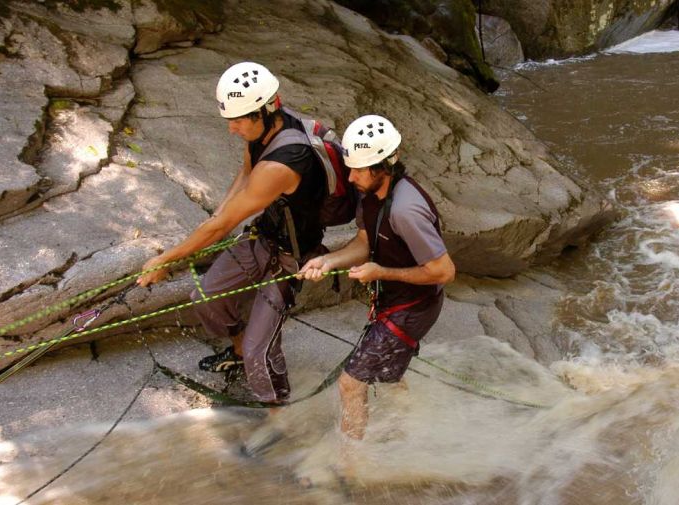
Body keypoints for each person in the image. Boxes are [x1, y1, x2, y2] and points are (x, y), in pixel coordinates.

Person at [137, 62, 329, 405]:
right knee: (205, 296)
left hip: (292, 256)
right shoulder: (265, 133)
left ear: (267, 109)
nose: (232, 128)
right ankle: (238, 352)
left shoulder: (284, 162)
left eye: (239, 120)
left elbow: (226, 225)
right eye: (230, 119)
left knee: (261, 350)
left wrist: (167, 258)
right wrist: (217, 215)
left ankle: (277, 412)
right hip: (264, 236)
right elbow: (244, 174)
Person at [301, 114, 455, 440]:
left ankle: (351, 466)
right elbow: (365, 242)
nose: (351, 176)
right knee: (386, 375)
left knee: (350, 383)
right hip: (394, 299)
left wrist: (381, 271)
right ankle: (407, 431)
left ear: (384, 166)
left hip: (414, 306)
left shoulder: (405, 210)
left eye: (359, 169)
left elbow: (444, 271)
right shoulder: (371, 194)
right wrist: (327, 261)